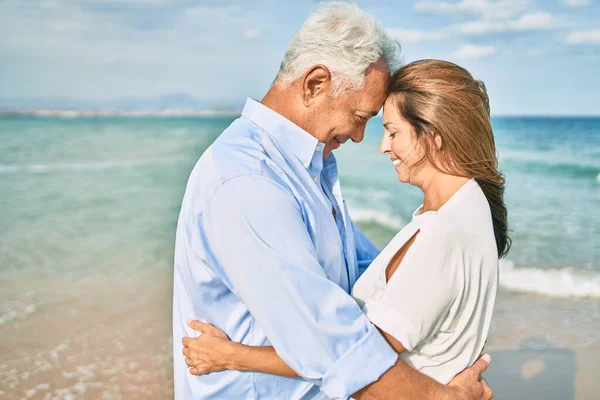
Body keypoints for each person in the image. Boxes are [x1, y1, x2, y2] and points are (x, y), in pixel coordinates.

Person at [173, 2, 493, 399]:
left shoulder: (307, 169)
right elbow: (328, 344)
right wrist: (439, 396)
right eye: (360, 117)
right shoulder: (248, 181)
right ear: (315, 84)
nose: (361, 138)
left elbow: (366, 276)